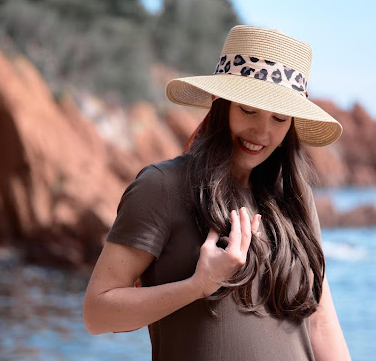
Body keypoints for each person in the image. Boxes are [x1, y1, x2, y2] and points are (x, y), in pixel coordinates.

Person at [83, 25, 351, 360]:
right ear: (219, 102)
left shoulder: (295, 200)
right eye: (248, 110)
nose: (261, 132)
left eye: (280, 118)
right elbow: (97, 313)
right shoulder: (162, 186)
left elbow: (321, 323)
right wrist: (197, 285)